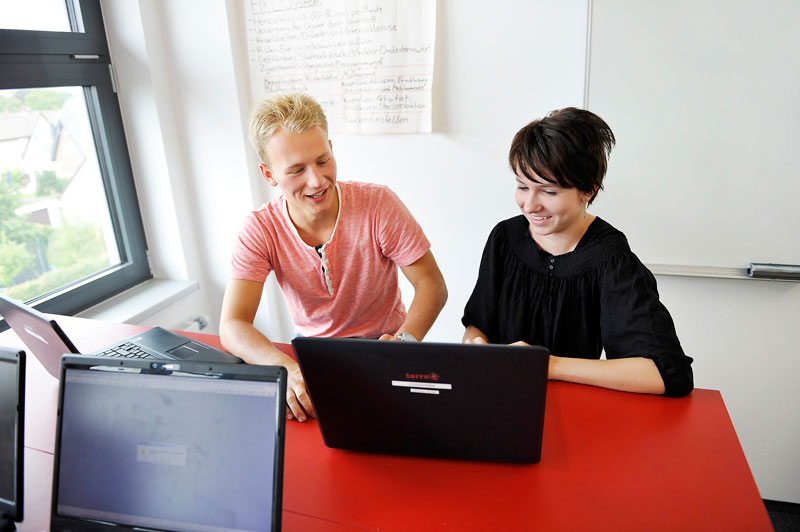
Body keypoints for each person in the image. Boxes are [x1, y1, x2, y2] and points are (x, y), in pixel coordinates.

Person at [221, 93, 448, 421]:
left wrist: (405, 341)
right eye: (297, 170)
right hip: (313, 360)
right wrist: (285, 367)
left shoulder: (378, 204)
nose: (316, 180)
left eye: (322, 160)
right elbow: (232, 324)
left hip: (389, 349)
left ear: (330, 146)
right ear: (268, 174)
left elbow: (432, 285)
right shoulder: (260, 229)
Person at [462, 107, 693, 397]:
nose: (529, 205)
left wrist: (548, 365)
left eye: (549, 192)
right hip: (500, 399)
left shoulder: (610, 257)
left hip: (575, 412)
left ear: (588, 190)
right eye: (522, 186)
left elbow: (667, 373)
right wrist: (475, 345)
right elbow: (478, 325)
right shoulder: (505, 238)